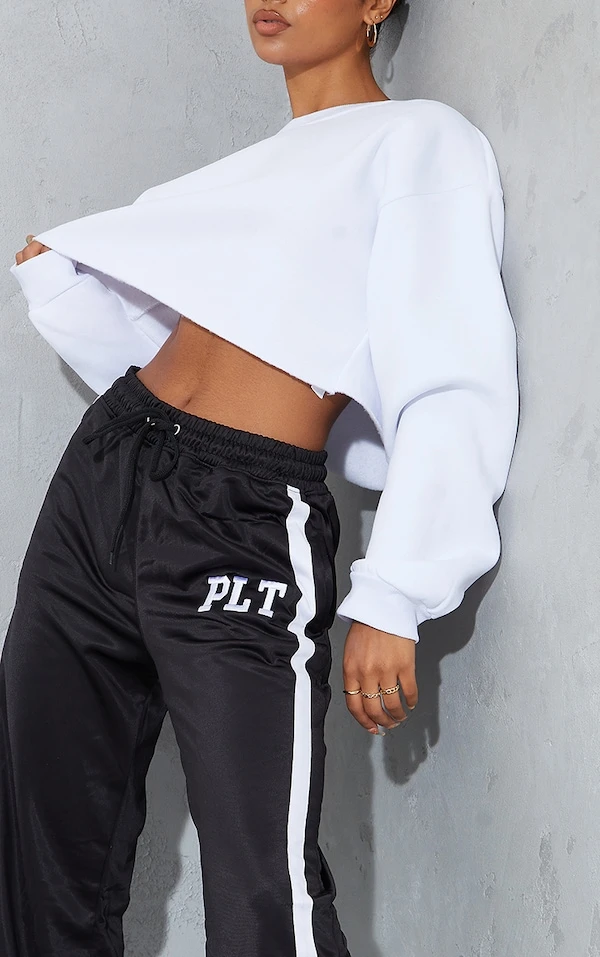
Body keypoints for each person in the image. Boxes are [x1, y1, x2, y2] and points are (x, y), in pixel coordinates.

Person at [0, 0, 520, 954]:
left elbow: (453, 380)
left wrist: (396, 591)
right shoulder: (253, 170)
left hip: (241, 515)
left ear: (376, 3)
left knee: (263, 892)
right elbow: (212, 335)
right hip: (101, 478)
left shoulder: (421, 142)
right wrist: (67, 282)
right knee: (41, 853)